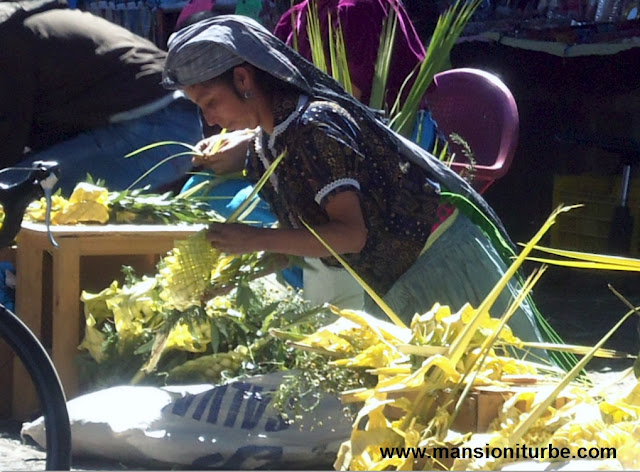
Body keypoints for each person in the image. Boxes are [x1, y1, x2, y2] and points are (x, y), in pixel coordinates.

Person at [161, 15, 551, 357]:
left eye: (210, 101)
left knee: (504, 402)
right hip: (395, 282)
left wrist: (252, 239)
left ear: (243, 79)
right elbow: (297, 243)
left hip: (439, 268)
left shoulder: (314, 126)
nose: (209, 120)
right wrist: (226, 282)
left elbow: (350, 236)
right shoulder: (268, 144)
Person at [0, 0, 203, 195]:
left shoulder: (10, 40)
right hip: (176, 119)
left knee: (9, 189)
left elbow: (8, 137)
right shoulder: (34, 24)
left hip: (160, 126)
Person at [273, 0, 427, 113]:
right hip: (315, 127)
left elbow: (346, 105)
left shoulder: (353, 10)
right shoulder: (293, 18)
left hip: (385, 136)